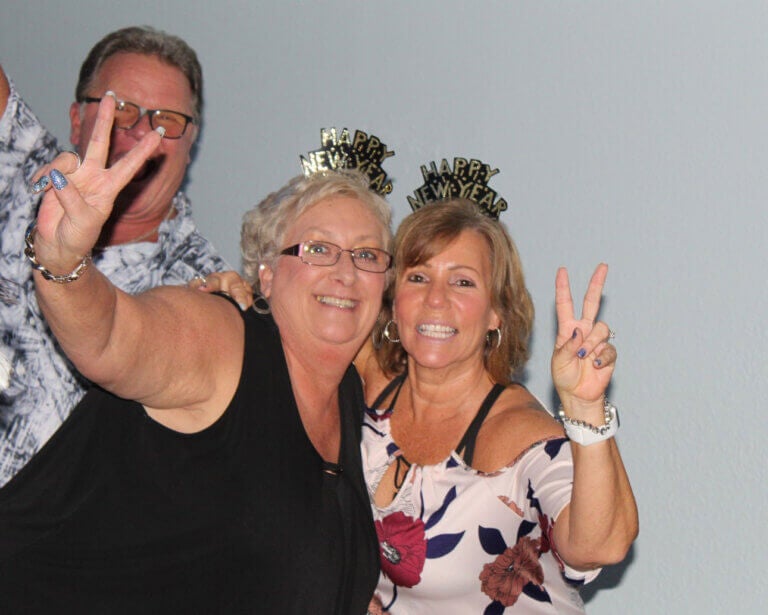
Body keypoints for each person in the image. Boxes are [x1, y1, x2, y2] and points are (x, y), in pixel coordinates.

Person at [0, 94, 391, 612]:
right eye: (317, 249)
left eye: (367, 255)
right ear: (267, 275)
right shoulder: (223, 337)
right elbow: (114, 338)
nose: (346, 272)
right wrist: (63, 259)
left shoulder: (347, 395)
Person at [356, 199, 638, 613]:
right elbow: (297, 313)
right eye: (418, 276)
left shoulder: (522, 436)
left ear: (496, 313)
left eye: (463, 282)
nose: (435, 299)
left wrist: (585, 408)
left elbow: (601, 546)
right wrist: (230, 298)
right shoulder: (369, 390)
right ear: (394, 300)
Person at [0, 26, 229, 486]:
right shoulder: (24, 173)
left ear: (191, 144)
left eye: (166, 122)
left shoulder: (202, 288)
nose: (141, 133)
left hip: (47, 544)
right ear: (77, 120)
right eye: (118, 110)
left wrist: (63, 261)